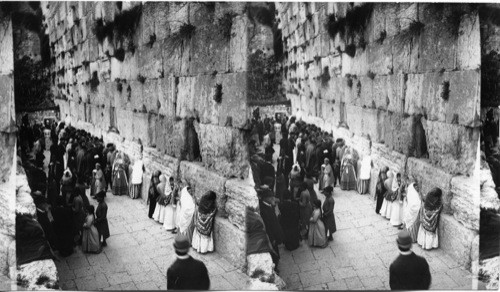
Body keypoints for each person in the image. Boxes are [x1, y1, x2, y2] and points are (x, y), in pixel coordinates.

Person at [258, 187, 284, 266]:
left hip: (275, 234)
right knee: (273, 251)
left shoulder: (268, 204)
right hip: (271, 236)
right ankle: (275, 266)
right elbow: (267, 227)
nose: (273, 198)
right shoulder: (264, 211)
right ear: (266, 198)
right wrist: (272, 239)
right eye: (271, 197)